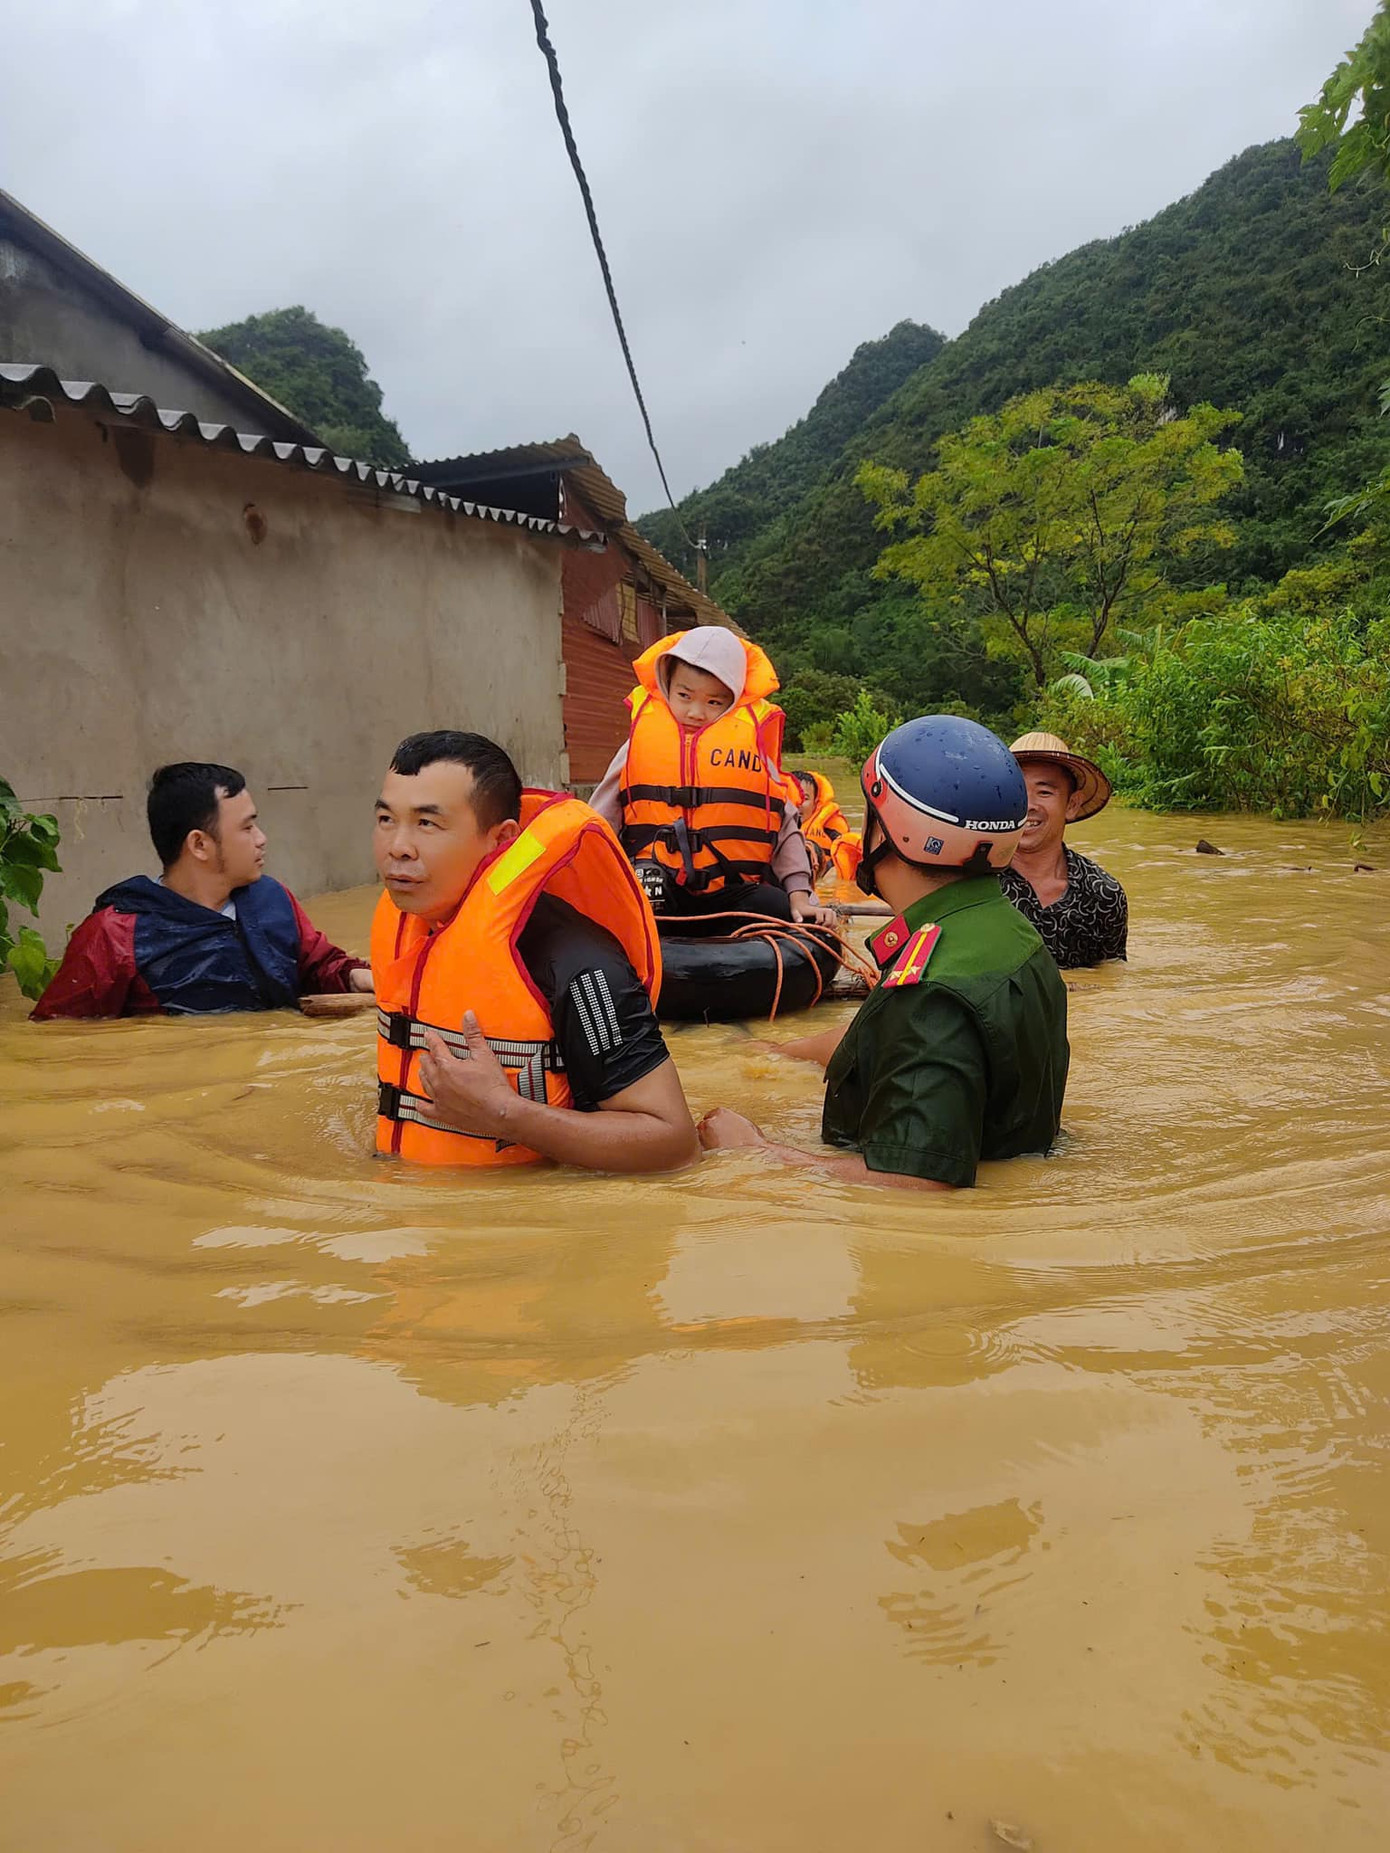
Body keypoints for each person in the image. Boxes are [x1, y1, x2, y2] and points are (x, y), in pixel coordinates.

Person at [699, 716, 1070, 1190]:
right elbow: (889, 1040)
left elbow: (915, 1183)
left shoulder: (930, 991)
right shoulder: (1004, 931)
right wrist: (779, 1052)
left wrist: (758, 1152)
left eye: (872, 818)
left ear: (897, 833)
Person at [371, 729, 698, 1172]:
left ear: (503, 840)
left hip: (528, 1227)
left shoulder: (576, 961)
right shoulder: (409, 923)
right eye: (387, 819)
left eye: (427, 823)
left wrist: (506, 1114)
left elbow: (674, 1144)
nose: (397, 848)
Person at [31, 762, 371, 1019]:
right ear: (199, 844)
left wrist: (356, 977)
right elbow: (59, 1040)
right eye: (247, 827)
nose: (261, 838)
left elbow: (318, 967)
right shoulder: (113, 936)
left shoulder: (273, 899)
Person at [588, 627, 835, 935]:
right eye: (684, 696)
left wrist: (801, 896)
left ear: (732, 700)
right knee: (647, 881)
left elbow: (785, 829)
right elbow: (598, 823)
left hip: (730, 895)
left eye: (714, 702)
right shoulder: (635, 747)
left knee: (775, 904)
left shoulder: (755, 754)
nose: (695, 712)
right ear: (667, 686)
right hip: (658, 894)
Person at [998, 732, 1128, 968]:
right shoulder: (971, 880)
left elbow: (1110, 983)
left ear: (1072, 805)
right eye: (1017, 790)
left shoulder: (1103, 894)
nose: (1029, 805)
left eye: (1044, 792)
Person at [790, 769, 862, 883]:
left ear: (815, 802)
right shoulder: (772, 824)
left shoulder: (829, 826)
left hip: (822, 878)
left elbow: (846, 854)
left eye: (805, 798)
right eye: (792, 796)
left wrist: (827, 871)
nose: (798, 803)